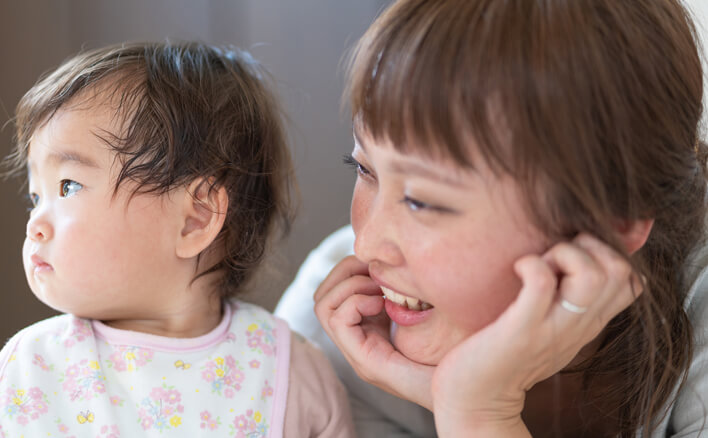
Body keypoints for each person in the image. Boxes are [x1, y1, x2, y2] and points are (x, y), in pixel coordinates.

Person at [277, 0, 708, 436]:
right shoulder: (328, 339)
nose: (365, 245)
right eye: (365, 170)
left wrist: (479, 414)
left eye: (423, 201)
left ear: (615, 219)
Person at [0, 41, 354, 437]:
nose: (34, 224)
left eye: (68, 186)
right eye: (36, 197)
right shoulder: (30, 368)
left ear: (195, 219)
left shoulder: (290, 372)